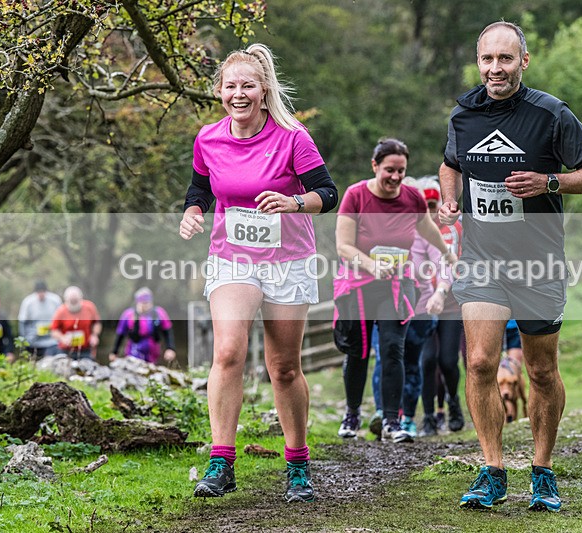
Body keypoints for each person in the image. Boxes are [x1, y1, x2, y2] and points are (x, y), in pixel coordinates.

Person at [438, 21, 582, 512]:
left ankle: (542, 471)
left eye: (506, 59)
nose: (496, 68)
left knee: (540, 369)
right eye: (488, 59)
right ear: (479, 62)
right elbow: (451, 163)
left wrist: (550, 183)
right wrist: (450, 199)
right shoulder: (464, 115)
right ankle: (492, 470)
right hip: (481, 261)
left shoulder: (551, 114)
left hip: (538, 264)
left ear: (524, 62)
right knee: (479, 362)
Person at [179, 43, 337, 503]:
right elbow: (200, 188)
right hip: (233, 257)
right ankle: (221, 462)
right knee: (228, 351)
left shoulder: (293, 137)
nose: (239, 94)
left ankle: (298, 466)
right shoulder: (208, 138)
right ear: (221, 93)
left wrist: (293, 202)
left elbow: (326, 192)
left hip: (288, 261)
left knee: (283, 368)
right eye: (231, 86)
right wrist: (193, 211)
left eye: (248, 85)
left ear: (264, 91)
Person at [334, 138, 456, 444]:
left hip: (396, 285)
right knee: (359, 353)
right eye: (390, 170)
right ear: (375, 166)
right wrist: (372, 266)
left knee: (392, 351)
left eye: (401, 171)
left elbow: (427, 227)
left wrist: (446, 253)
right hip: (358, 286)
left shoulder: (412, 197)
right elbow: (344, 246)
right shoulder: (356, 195)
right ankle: (352, 414)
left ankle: (392, 420)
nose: (396, 177)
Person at [368, 178, 450, 439]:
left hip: (420, 307)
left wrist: (440, 292)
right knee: (385, 359)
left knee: (411, 364)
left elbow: (444, 262)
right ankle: (384, 414)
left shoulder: (424, 231)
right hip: (386, 305)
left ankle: (407, 418)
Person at [417, 177, 465, 437]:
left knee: (447, 360)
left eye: (433, 203)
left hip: (451, 304)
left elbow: (466, 258)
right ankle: (427, 417)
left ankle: (453, 403)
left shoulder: (456, 227)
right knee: (427, 361)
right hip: (422, 304)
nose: (429, 209)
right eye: (424, 204)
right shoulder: (414, 229)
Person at [109, 287, 176, 365]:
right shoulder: (128, 315)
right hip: (134, 352)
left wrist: (170, 348)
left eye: (148, 302)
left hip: (153, 353)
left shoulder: (159, 313)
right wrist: (114, 352)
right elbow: (120, 334)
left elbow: (167, 331)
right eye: (143, 303)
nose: (146, 305)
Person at [49, 286, 102, 360]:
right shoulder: (60, 311)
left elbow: (97, 323)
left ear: (81, 298)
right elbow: (53, 331)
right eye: (71, 301)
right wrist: (62, 338)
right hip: (66, 350)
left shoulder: (89, 307)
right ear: (66, 300)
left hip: (85, 349)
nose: (74, 302)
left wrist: (94, 335)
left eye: (75, 300)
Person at [18, 280, 62, 358]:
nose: (41, 294)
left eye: (43, 292)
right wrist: (24, 340)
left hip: (51, 340)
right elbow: (22, 322)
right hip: (33, 340)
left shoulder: (55, 300)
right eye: (39, 292)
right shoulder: (28, 302)